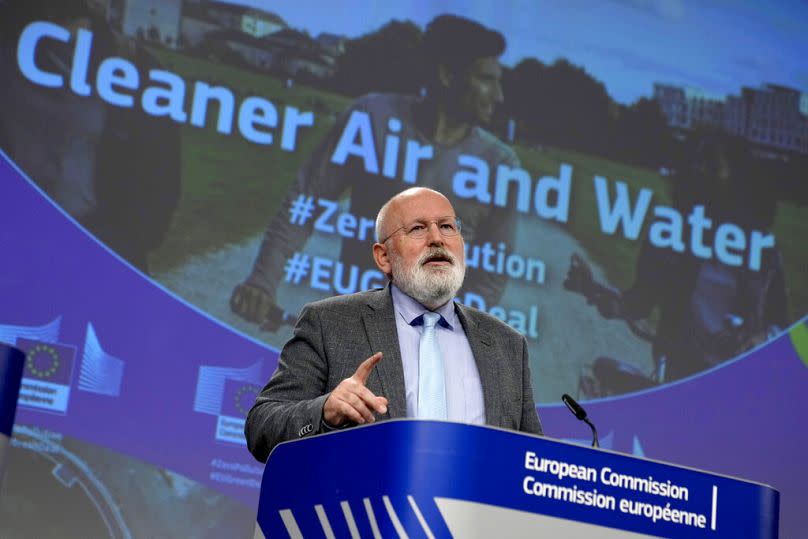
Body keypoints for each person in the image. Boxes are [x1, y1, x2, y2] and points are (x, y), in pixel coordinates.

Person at [231, 13, 519, 330]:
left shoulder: (499, 163)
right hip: (353, 323)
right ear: (448, 75)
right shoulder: (372, 117)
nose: (499, 96)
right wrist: (262, 281)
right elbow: (305, 201)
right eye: (486, 80)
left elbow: (493, 275)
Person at [245, 188, 542, 462]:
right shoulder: (330, 324)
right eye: (417, 228)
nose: (437, 238)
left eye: (447, 226)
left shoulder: (507, 345)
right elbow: (262, 426)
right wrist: (324, 410)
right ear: (383, 257)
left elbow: (534, 460)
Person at [565, 133, 787, 384]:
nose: (700, 171)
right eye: (697, 163)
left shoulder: (764, 250)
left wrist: (762, 339)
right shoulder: (668, 232)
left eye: (713, 166)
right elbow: (639, 302)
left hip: (738, 379)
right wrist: (594, 290)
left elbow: (781, 327)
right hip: (679, 370)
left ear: (738, 178)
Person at [0, 0, 181, 273]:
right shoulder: (9, 44)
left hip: (85, 263)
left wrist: (95, 253)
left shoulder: (136, 69)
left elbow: (156, 201)